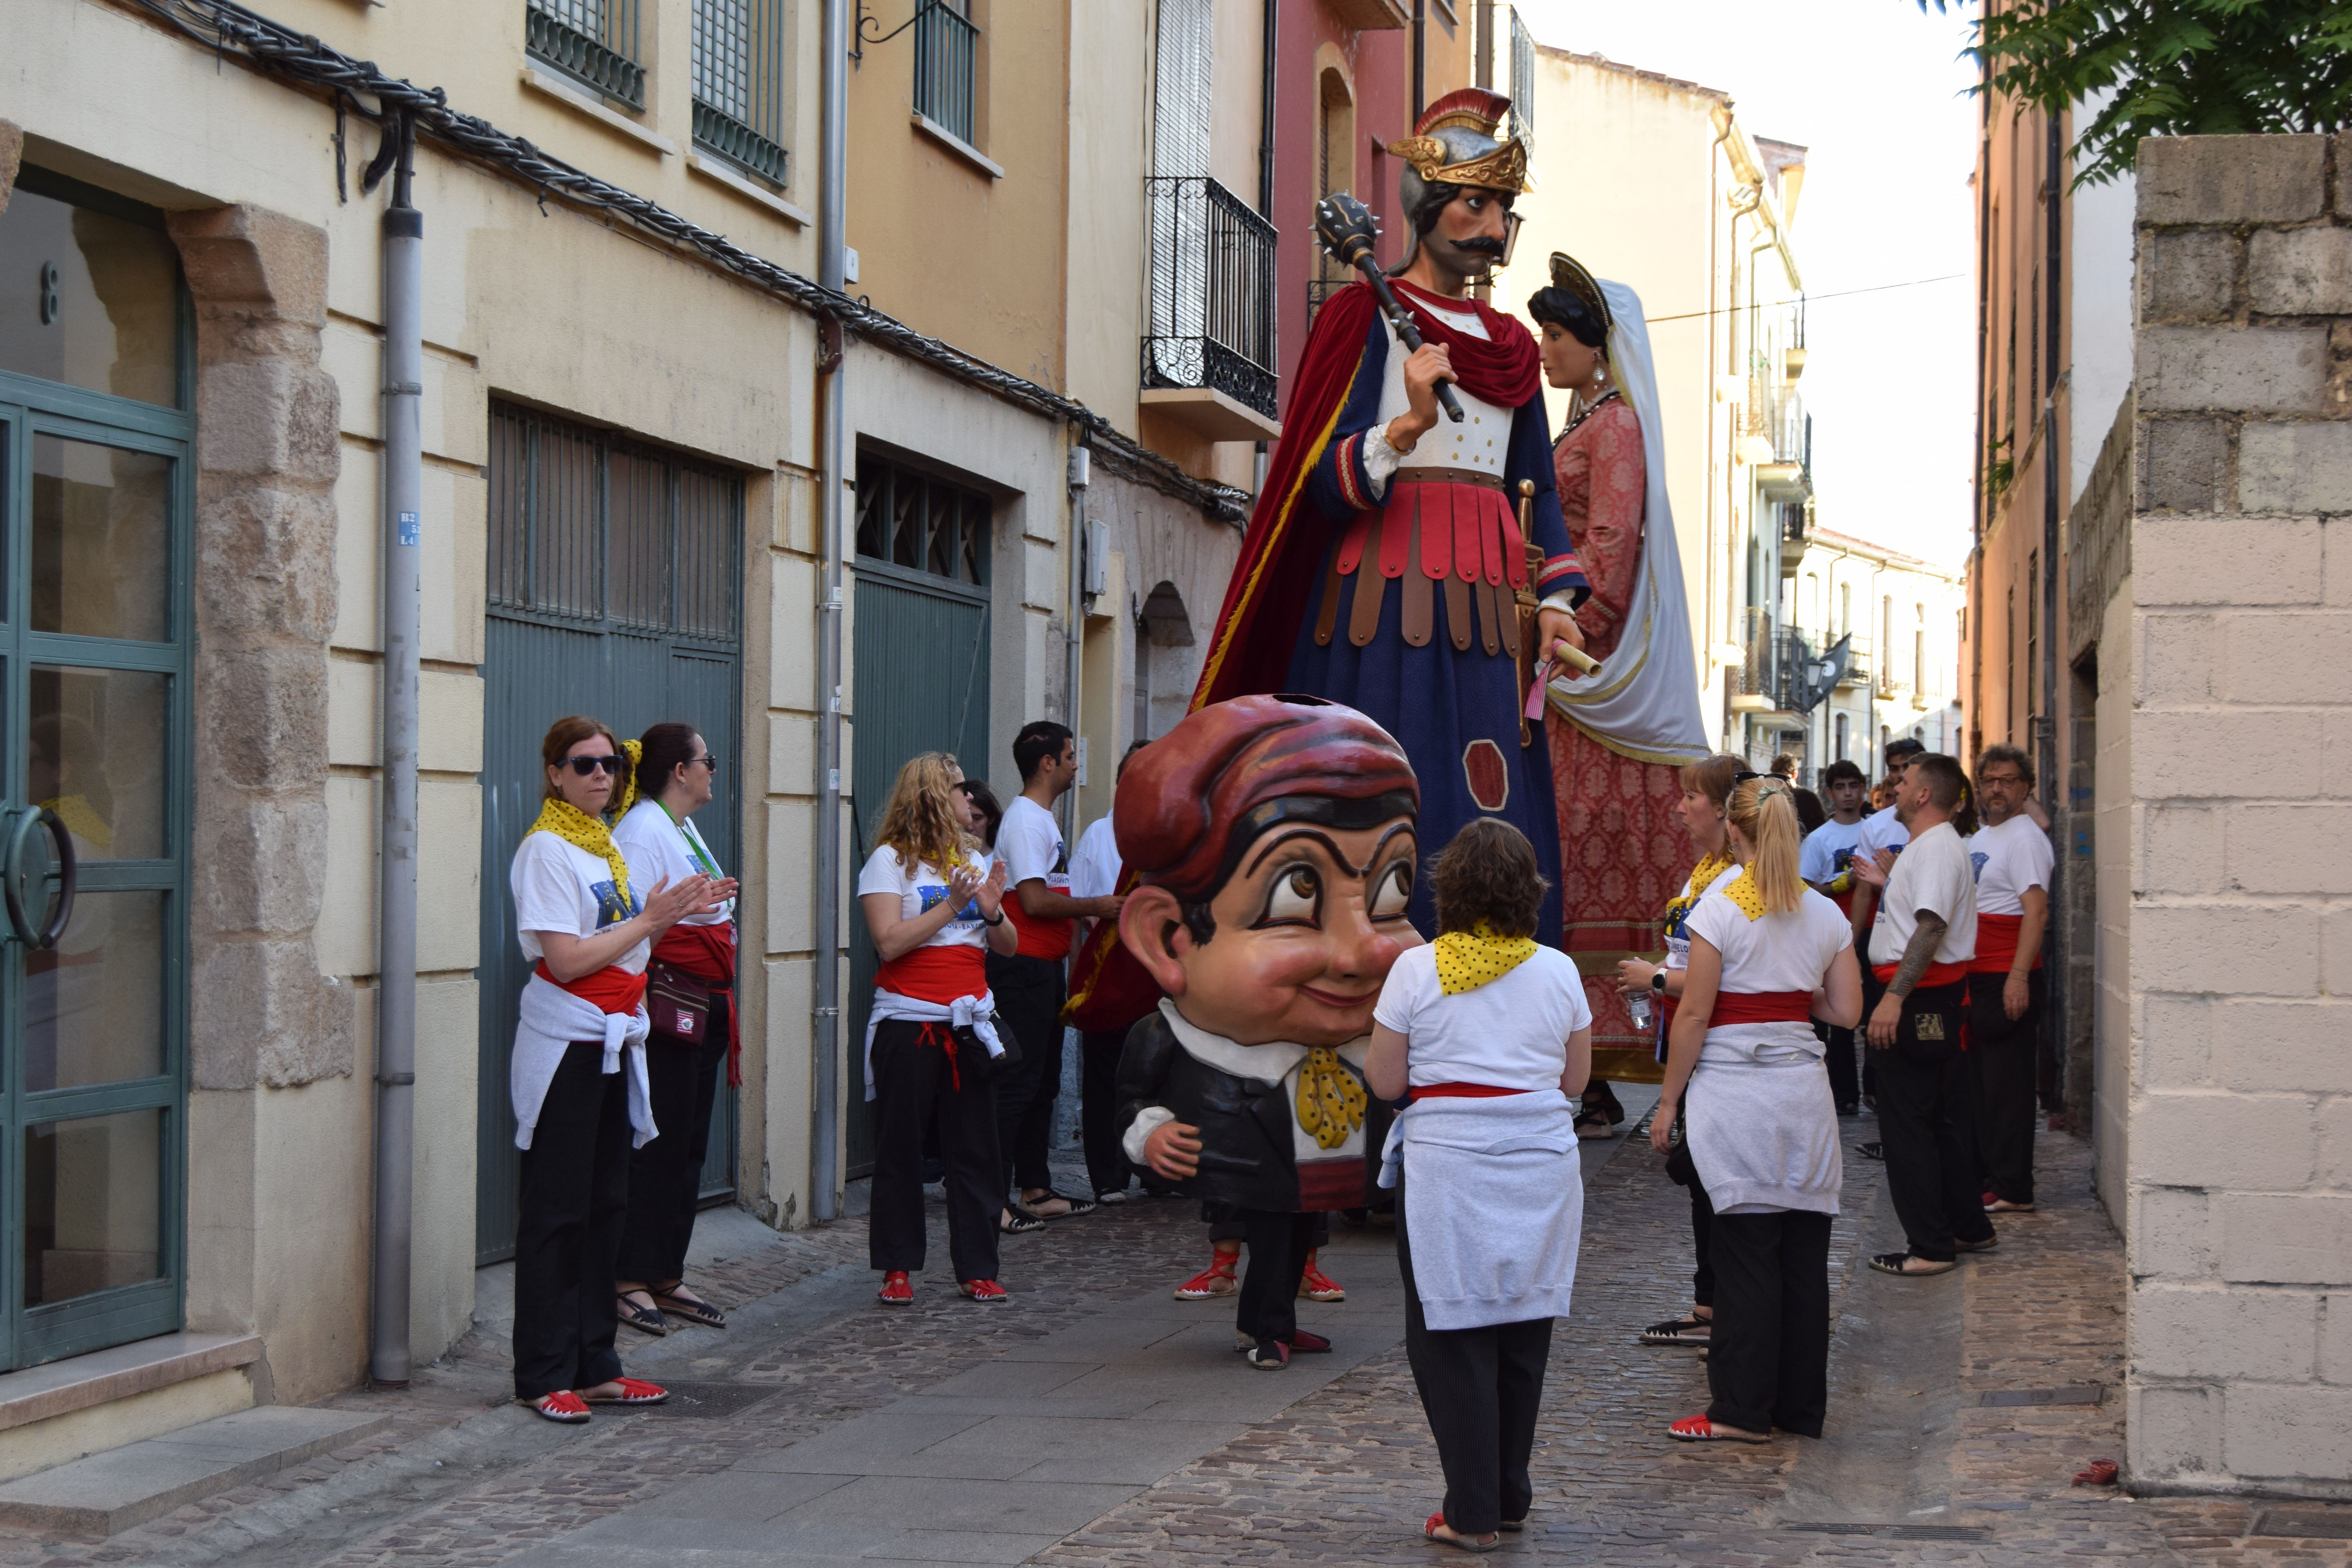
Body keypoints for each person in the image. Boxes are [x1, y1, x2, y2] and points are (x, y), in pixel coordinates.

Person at [1172, 89, 1588, 949]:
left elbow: (1537, 487)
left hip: (1486, 602)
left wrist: (1555, 603)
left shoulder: (1512, 349)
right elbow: (1314, 482)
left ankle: (1492, 972)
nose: (1491, 225)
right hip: (1377, 589)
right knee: (1378, 781)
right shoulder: (1361, 316)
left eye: (1503, 209)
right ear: (1428, 205)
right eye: (1475, 203)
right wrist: (1401, 429)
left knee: (1486, 789)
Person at [1116, 696, 1419, 1370]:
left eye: (1391, 895)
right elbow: (1134, 1103)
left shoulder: (1369, 1043)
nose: (1364, 951)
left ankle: (1276, 1318)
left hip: (1324, 1161)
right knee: (1275, 1233)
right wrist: (1151, 1132)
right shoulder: (1172, 1040)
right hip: (1256, 1164)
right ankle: (1267, 1327)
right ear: (1168, 938)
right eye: (1295, 898)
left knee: (1305, 1232)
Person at [1366, 818, 1591, 1548]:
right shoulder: (1558, 970)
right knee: (1524, 1329)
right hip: (1539, 1161)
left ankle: (1471, 1512)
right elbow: (1577, 1080)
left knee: (1450, 1333)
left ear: (1449, 888)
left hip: (1450, 1167)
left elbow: (1386, 1081)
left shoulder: (1415, 968)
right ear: (1529, 892)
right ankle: (1507, 1494)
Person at [1527, 252, 1712, 1134]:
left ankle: (1612, 1054)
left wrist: (1568, 628)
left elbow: (1609, 544)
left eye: (1555, 338)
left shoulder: (1615, 430)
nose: (1543, 352)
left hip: (1582, 659)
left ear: (1596, 349)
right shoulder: (1589, 422)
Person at [508, 716, 721, 1423]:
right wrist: (651, 920)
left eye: (610, 766)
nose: (601, 776)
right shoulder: (547, 850)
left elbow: (626, 943)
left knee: (607, 1207)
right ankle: (542, 1372)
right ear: (555, 775)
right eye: (585, 765)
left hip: (614, 1036)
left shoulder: (602, 850)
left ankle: (596, 1362)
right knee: (557, 1211)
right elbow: (567, 958)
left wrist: (677, 912)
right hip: (568, 1040)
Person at [1651, 776, 1862, 1443]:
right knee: (1803, 1258)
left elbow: (1694, 1012)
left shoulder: (1719, 906)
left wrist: (1666, 1102)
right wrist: (1794, 1001)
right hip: (1803, 1092)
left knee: (1744, 1256)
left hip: (1735, 1095)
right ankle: (1799, 1409)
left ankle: (1740, 1408)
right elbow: (1847, 1011)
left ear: (1735, 833)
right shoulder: (1822, 912)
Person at [859, 752, 1019, 1305]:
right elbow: (889, 942)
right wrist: (952, 906)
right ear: (932, 794)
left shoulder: (968, 859)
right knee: (901, 1148)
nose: (969, 799)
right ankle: (897, 1267)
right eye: (958, 788)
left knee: (977, 1148)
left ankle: (977, 1267)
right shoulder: (889, 862)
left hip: (970, 1023)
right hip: (909, 1023)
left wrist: (993, 912)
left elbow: (1009, 947)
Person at [612, 722, 743, 1336]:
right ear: (680, 772)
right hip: (669, 998)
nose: (714, 769)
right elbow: (632, 927)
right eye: (706, 759)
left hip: (705, 999)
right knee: (657, 1141)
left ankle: (666, 1268)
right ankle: (628, 1276)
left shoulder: (681, 827)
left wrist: (710, 901)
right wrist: (691, 909)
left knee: (689, 1143)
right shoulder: (641, 830)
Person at [1615, 753, 1747, 1347]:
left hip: (1719, 1048)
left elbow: (1717, 981)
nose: (1680, 806)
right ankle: (1710, 1304)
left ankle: (1723, 1308)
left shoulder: (1732, 882)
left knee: (1708, 1177)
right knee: (1701, 1183)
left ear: (1723, 808)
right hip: (1691, 1038)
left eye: (1691, 796)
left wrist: (1657, 981)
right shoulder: (1705, 871)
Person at [1851, 753, 1994, 1276]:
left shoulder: (1936, 848)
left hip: (1917, 999)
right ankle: (1966, 1227)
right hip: (1927, 997)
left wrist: (1894, 1000)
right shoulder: (1931, 846)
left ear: (1924, 795)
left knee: (1909, 1125)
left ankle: (1931, 1247)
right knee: (1941, 1119)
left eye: (1905, 780)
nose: (1896, 785)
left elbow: (1930, 929)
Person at [993, 720, 1120, 1232]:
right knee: (1018, 1084)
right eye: (1070, 755)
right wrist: (1100, 906)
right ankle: (994, 1196)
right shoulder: (1026, 820)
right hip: (1020, 968)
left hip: (1042, 968)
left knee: (1042, 1083)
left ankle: (1036, 1187)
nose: (1075, 764)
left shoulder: (1042, 820)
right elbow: (1032, 900)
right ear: (1047, 763)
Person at [1966, 744, 2052, 1214]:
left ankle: (2014, 1186)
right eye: (1990, 780)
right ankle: (1992, 1177)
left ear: (2025, 788)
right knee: (1984, 1088)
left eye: (2009, 780)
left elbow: (2036, 911)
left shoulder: (2024, 838)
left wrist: (2018, 976)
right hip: (1978, 976)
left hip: (2006, 975)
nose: (1998, 787)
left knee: (2008, 1089)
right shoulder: (1986, 836)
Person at [1070, 740, 1149, 1207]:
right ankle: (1109, 1175)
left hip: (1160, 976)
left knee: (1160, 1076)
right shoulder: (1099, 835)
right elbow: (1078, 906)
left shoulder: (1175, 833)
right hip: (1110, 970)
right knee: (1107, 1078)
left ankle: (1158, 1172)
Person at [1800, 758, 1871, 1115]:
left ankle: (1859, 1091)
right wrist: (1840, 884)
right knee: (1825, 1017)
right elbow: (1805, 888)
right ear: (1830, 794)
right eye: (1840, 788)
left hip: (1872, 931)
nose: (1848, 794)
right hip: (1827, 935)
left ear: (1863, 789)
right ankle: (1828, 1092)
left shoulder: (1875, 830)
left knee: (1863, 1015)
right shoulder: (1819, 839)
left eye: (1853, 786)